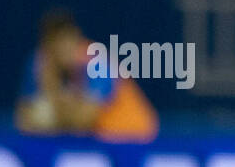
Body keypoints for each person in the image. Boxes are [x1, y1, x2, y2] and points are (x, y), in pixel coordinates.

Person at [15, 10, 158, 143]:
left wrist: (52, 99)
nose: (63, 50)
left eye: (67, 41)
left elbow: (84, 120)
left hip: (133, 137)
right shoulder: (40, 63)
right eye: (55, 45)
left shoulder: (97, 63)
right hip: (97, 142)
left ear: (76, 37)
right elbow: (23, 119)